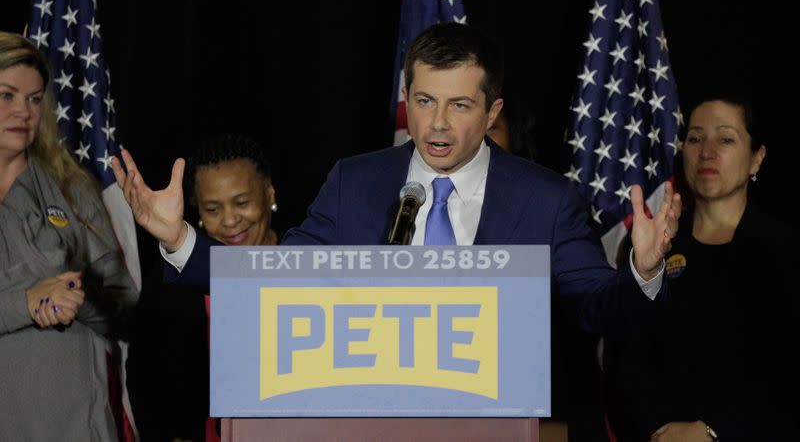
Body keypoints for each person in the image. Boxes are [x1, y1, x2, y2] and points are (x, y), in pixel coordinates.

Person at [113, 22, 681, 338]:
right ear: (405, 99)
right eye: (424, 100)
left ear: (491, 111)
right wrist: (180, 239)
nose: (436, 124)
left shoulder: (545, 199)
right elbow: (275, 275)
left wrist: (644, 269)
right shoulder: (355, 182)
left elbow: (601, 310)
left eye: (459, 105)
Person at [603, 95, 800, 440]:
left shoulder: (785, 250)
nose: (706, 151)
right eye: (695, 138)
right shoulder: (654, 245)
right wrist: (658, 433)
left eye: (725, 139)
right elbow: (625, 361)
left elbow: (786, 373)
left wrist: (713, 431)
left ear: (757, 158)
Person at [0, 32, 139, 441]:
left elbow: (124, 307)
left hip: (75, 424)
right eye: (6, 95)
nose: (22, 112)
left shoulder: (72, 189)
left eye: (33, 98)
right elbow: (30, 299)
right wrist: (27, 302)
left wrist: (80, 296)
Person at [125, 134, 278, 442]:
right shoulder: (171, 283)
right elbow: (144, 376)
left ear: (269, 194)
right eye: (212, 209)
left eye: (242, 203)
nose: (230, 220)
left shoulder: (306, 264)